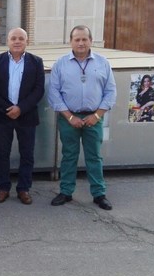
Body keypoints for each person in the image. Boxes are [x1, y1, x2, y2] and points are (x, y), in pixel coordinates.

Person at [47, 25, 117, 210]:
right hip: (68, 118)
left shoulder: (103, 63)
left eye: (84, 39)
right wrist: (70, 117)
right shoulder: (60, 64)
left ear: (91, 41)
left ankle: (99, 194)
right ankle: (66, 192)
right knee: (69, 155)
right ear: (71, 41)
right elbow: (54, 93)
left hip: (94, 118)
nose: (80, 43)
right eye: (77, 39)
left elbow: (110, 92)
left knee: (94, 156)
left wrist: (97, 115)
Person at [0, 28, 45, 205]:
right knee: (2, 153)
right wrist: (7, 108)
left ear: (27, 41)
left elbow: (39, 89)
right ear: (8, 41)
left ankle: (24, 188)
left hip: (27, 115)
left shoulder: (36, 62)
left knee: (27, 153)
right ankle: (3, 187)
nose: (17, 41)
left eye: (21, 38)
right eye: (13, 38)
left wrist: (21, 108)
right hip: (3, 115)